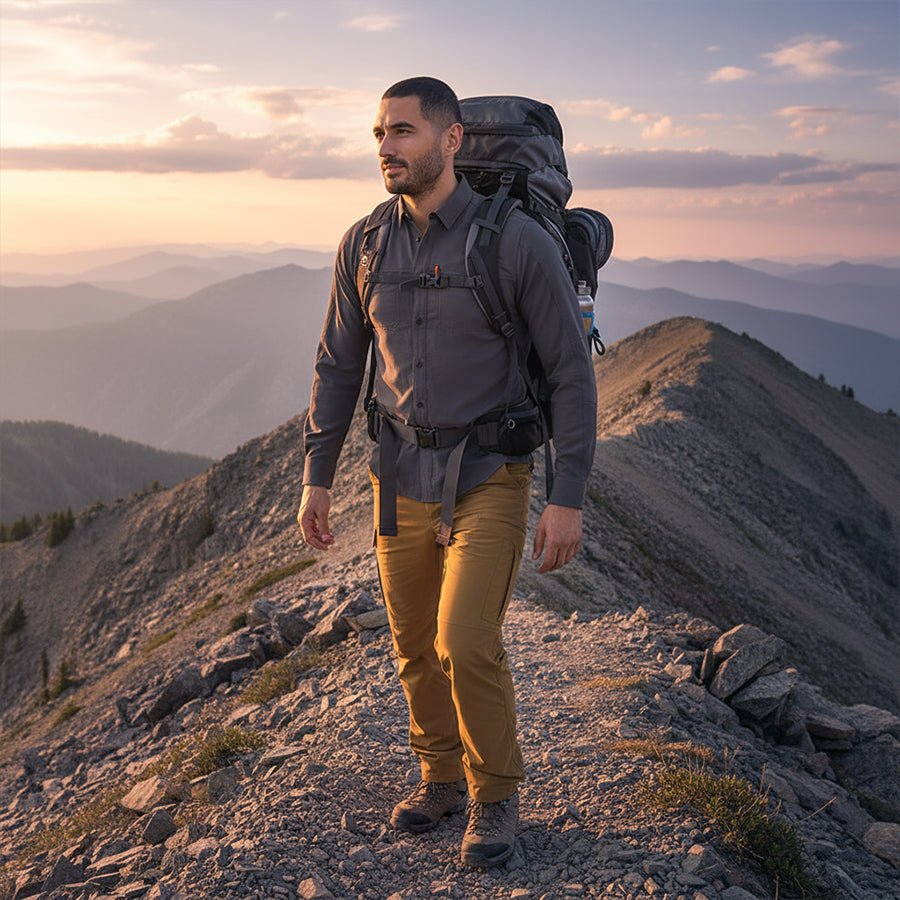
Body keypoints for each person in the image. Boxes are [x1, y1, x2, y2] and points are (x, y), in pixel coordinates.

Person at [298, 76, 596, 868]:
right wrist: (316, 475)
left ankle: (495, 796)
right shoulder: (364, 242)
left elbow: (571, 371)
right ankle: (439, 779)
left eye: (402, 132)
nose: (387, 149)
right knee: (411, 643)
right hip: (396, 474)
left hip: (490, 471)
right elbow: (338, 365)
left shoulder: (514, 242)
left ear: (451, 139)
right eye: (379, 134)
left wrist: (566, 499)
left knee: (465, 641)